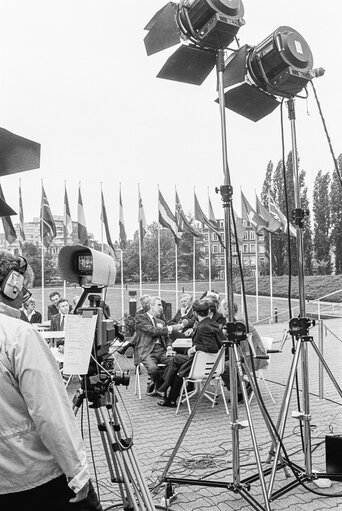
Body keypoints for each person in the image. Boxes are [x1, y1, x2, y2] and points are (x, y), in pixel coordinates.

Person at [0, 250, 102, 510]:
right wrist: (77, 472)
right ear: (13, 285)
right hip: (33, 475)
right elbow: (50, 413)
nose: (24, 298)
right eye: (24, 291)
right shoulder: (18, 335)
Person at [157, 298, 225, 408]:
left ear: (194, 312)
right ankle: (168, 393)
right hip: (213, 362)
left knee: (178, 366)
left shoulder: (203, 327)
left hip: (202, 363)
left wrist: (194, 348)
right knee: (177, 361)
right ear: (208, 312)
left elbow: (212, 348)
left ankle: (167, 392)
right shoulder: (213, 324)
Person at [219, 298, 267, 403]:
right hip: (245, 354)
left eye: (222, 308)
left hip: (253, 356)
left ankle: (243, 388)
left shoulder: (238, 322)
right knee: (224, 364)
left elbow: (241, 344)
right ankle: (241, 389)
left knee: (224, 367)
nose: (220, 311)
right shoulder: (234, 320)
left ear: (227, 309)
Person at [133, 296, 183, 395]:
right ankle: (159, 385)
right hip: (147, 351)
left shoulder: (161, 322)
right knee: (153, 369)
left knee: (175, 363)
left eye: (162, 305)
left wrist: (169, 348)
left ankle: (163, 389)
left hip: (162, 351)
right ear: (151, 306)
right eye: (159, 305)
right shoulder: (140, 318)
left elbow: (167, 338)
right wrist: (172, 328)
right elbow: (152, 331)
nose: (162, 308)